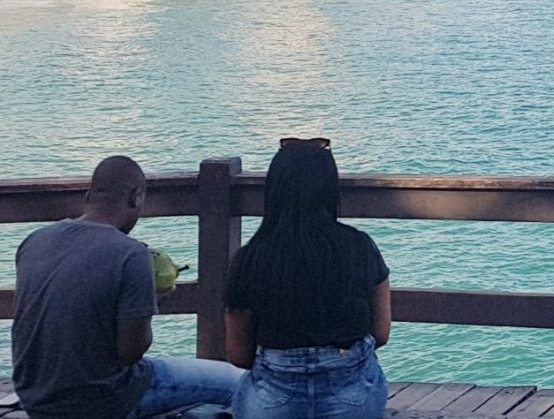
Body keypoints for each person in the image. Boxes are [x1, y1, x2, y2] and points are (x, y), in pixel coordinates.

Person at [10, 155, 242, 419]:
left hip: (35, 398)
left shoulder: (35, 241)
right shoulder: (131, 254)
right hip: (103, 399)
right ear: (137, 197)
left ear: (88, 196)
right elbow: (131, 352)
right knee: (241, 384)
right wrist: (149, 304)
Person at [225, 139, 391, 419]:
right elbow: (381, 333)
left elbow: (239, 354)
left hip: (272, 404)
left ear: (274, 190)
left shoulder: (250, 257)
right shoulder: (360, 246)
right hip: (354, 401)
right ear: (330, 189)